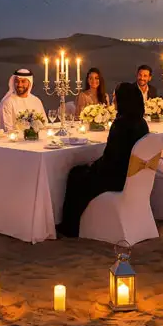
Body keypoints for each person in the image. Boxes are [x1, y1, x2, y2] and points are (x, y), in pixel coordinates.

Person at [56, 82, 148, 238]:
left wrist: (92, 167)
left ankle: (69, 226)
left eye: (115, 97)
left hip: (117, 179)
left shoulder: (121, 124)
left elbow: (111, 160)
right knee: (81, 172)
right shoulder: (141, 122)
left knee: (76, 175)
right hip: (133, 176)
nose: (113, 100)